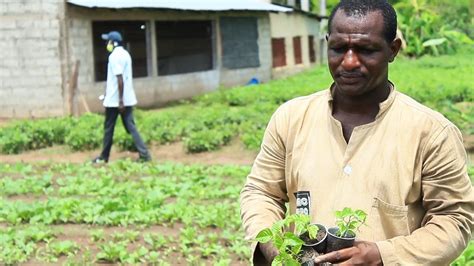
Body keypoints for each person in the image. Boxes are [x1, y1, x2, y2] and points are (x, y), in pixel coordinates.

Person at [240, 0, 473, 265]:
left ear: (392, 49)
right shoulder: (291, 118)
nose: (349, 62)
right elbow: (261, 192)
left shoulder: (431, 132)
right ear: (327, 43)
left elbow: (455, 220)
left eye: (366, 50)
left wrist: (384, 256)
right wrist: (276, 250)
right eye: (339, 48)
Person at [92, 31, 151, 163]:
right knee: (131, 127)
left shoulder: (114, 56)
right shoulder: (125, 54)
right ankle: (145, 155)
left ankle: (104, 157)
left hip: (116, 101)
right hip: (126, 99)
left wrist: (120, 101)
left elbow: (119, 79)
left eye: (108, 41)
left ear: (113, 43)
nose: (107, 44)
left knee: (109, 129)